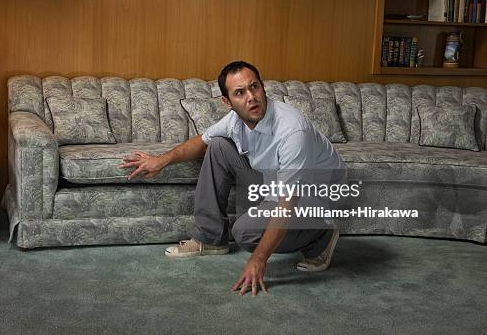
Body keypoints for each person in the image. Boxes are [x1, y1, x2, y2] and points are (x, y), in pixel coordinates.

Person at [119, 61, 346, 296]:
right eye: (240, 92)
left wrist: (259, 259)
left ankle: (322, 235)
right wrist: (161, 160)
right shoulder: (236, 119)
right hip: (274, 179)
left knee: (245, 233)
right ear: (227, 102)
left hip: (314, 194)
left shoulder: (292, 132)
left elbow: (286, 206)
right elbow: (202, 142)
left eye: (254, 87)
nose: (251, 97)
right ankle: (210, 238)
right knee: (217, 146)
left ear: (263, 87)